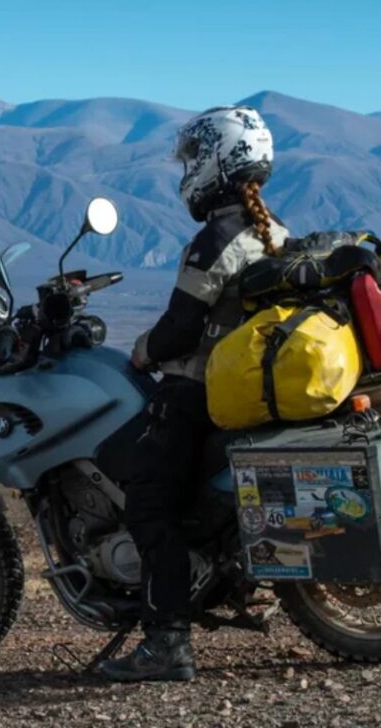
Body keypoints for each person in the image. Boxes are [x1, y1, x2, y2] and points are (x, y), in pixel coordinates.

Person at [100, 105, 289, 683]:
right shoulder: (274, 232)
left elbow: (180, 328)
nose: (186, 173)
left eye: (191, 160)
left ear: (215, 162)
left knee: (147, 502)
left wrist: (140, 352)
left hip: (198, 394)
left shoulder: (216, 241)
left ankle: (167, 645)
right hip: (246, 393)